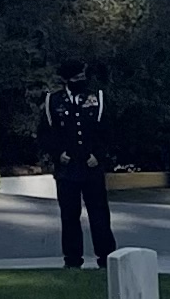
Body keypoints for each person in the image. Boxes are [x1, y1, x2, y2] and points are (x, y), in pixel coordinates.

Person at [41, 57, 116, 270]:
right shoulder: (54, 101)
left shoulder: (96, 98)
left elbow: (107, 132)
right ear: (67, 80)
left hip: (92, 167)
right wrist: (58, 154)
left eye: (82, 76)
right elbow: (46, 134)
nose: (81, 80)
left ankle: (106, 258)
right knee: (69, 216)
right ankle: (72, 260)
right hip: (67, 168)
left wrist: (99, 155)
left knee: (99, 214)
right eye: (76, 78)